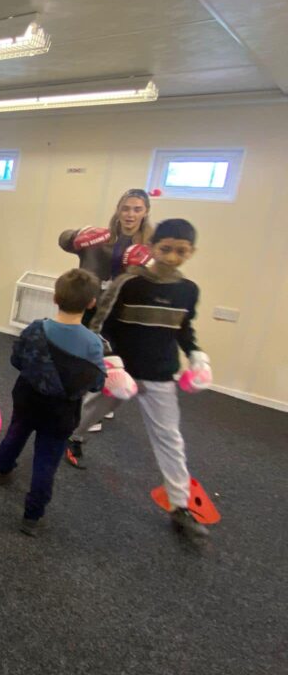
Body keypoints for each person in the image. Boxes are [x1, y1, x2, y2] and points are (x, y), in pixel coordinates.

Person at [65, 219, 213, 538]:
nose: (173, 256)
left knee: (169, 437)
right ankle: (72, 438)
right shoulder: (128, 284)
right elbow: (100, 324)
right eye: (166, 248)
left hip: (160, 374)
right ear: (152, 248)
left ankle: (179, 504)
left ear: (192, 252)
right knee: (91, 411)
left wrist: (196, 355)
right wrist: (111, 363)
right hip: (121, 371)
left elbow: (183, 328)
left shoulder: (188, 290)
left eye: (181, 251)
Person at [0, 269, 106, 536]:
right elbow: (97, 383)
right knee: (46, 460)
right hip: (62, 412)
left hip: (28, 399)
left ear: (55, 298)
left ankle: (3, 468)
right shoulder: (93, 344)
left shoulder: (35, 329)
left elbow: (16, 360)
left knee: (15, 434)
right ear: (91, 303)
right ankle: (32, 517)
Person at [59, 189, 154, 432]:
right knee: (88, 358)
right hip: (93, 307)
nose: (130, 214)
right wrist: (76, 235)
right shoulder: (100, 239)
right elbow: (64, 241)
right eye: (125, 208)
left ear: (145, 212)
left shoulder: (149, 246)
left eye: (136, 209)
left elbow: (154, 283)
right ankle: (84, 412)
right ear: (118, 210)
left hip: (123, 312)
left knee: (115, 361)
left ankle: (101, 406)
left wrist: (149, 265)